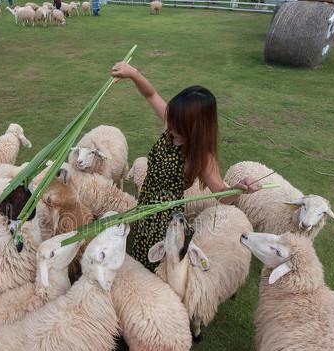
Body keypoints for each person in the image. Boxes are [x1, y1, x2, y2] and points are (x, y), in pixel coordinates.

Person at [110, 62, 261, 270]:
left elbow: (222, 195)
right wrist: (134, 74)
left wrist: (239, 189)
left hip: (165, 218)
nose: (169, 126)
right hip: (146, 202)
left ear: (194, 129)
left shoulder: (201, 157)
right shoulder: (171, 126)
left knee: (156, 261)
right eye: (170, 120)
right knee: (141, 246)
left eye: (176, 125)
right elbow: (151, 95)